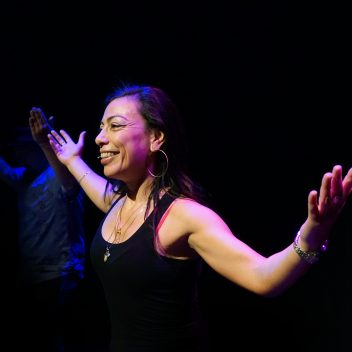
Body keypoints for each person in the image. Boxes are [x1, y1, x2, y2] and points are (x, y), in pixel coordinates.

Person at [46, 84, 352, 352]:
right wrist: (71, 159)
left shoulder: (184, 216)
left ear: (156, 138)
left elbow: (263, 278)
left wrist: (313, 233)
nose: (100, 138)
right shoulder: (119, 203)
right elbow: (90, 183)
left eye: (114, 126)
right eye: (101, 127)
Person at [0, 108, 86, 352]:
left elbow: (68, 182)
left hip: (60, 273)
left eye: (25, 146)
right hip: (31, 274)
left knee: (58, 337)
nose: (18, 153)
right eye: (16, 148)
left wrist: (45, 142)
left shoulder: (58, 173)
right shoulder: (23, 179)